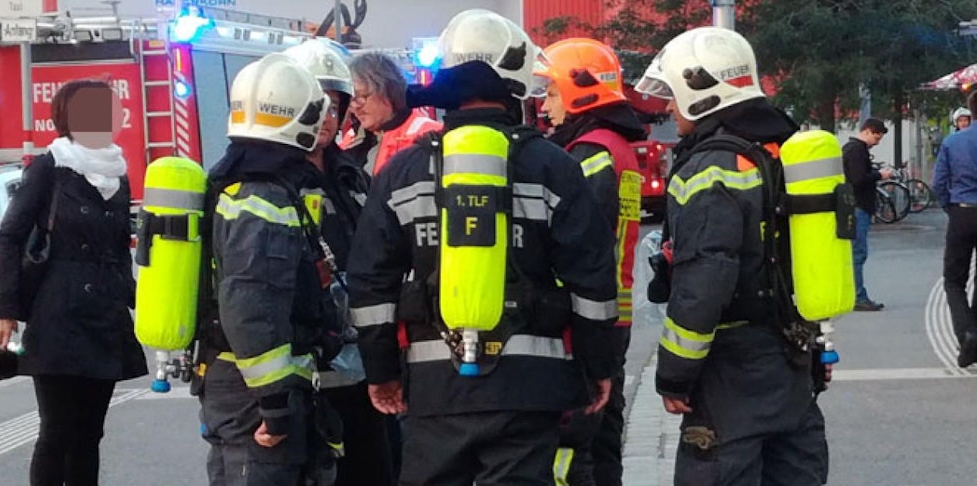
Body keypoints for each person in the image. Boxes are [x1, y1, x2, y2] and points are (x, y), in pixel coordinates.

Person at [346, 9, 618, 485]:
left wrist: (382, 372)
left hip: (433, 388)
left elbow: (370, 286)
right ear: (515, 81)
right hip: (532, 385)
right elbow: (593, 283)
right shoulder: (554, 167)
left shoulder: (403, 172)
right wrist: (597, 367)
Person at [635, 26, 828, 485]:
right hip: (793, 353)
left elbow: (705, 281)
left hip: (731, 370)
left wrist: (675, 374)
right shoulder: (781, 150)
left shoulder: (710, 168)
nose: (667, 107)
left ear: (700, 91)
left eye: (673, 94)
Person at [0, 79, 148, 485]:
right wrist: (2, 308)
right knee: (57, 431)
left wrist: (147, 304)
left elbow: (115, 255)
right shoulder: (50, 167)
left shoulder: (119, 174)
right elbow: (9, 236)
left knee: (90, 434)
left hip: (105, 318)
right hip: (58, 315)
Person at [195, 52, 343, 486]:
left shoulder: (240, 182)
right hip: (252, 398)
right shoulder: (263, 199)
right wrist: (274, 404)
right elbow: (250, 305)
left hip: (237, 386)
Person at [283, 38, 395, 486]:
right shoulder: (268, 181)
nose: (326, 117)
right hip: (302, 374)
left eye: (334, 105)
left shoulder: (352, 175)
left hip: (362, 368)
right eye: (315, 105)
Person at [533, 37, 644, 486]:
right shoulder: (615, 145)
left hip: (586, 320)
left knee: (572, 447)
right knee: (602, 442)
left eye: (552, 91)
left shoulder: (590, 154)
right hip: (611, 317)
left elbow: (578, 245)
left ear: (580, 89)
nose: (544, 104)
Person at [340, 52, 442, 176]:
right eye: (350, 100)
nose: (355, 106)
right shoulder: (350, 139)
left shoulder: (429, 134)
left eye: (361, 96)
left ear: (389, 90)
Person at [933, 91, 977, 367]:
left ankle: (967, 333)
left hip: (963, 211)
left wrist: (950, 207)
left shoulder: (953, 141)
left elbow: (939, 182)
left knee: (954, 280)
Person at [841, 117, 893, 311]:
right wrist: (880, 175)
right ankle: (858, 296)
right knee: (857, 253)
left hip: (853, 205)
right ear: (869, 131)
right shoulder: (857, 151)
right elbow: (858, 179)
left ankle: (854, 294)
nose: (877, 143)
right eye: (877, 138)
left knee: (854, 253)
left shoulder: (851, 149)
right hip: (858, 206)